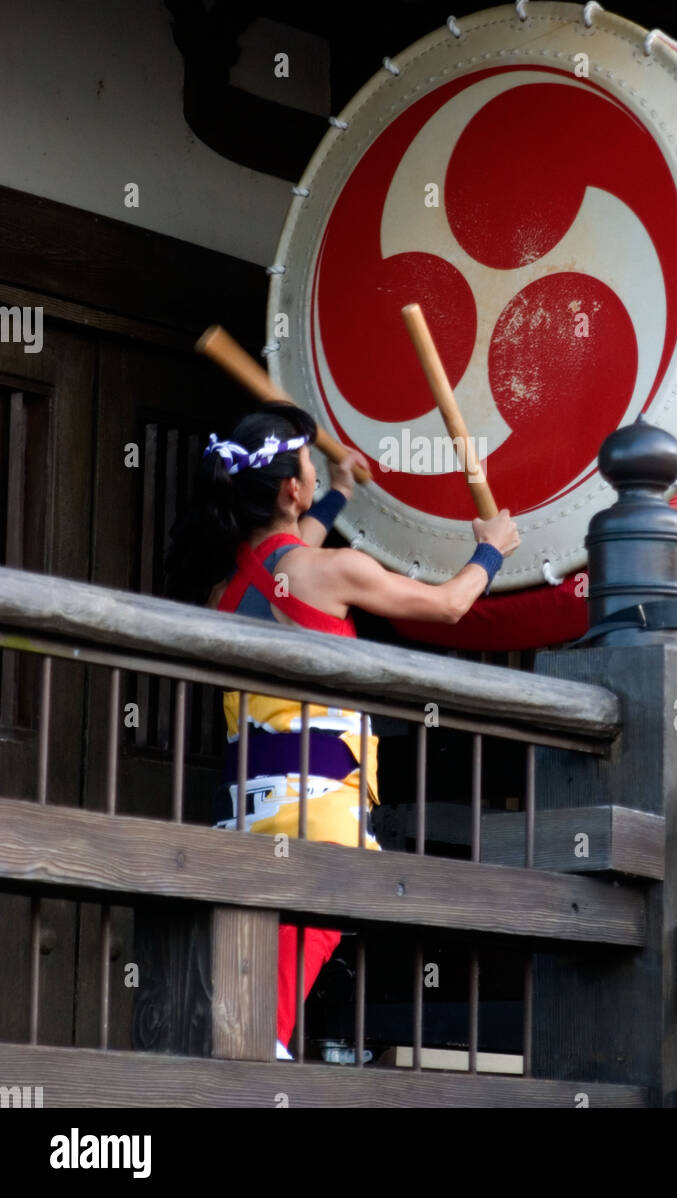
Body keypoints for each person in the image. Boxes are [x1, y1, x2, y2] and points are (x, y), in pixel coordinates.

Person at [164, 401, 520, 1060]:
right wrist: (490, 550)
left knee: (248, 978)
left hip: (243, 817)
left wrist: (338, 496)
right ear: (291, 490)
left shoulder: (224, 589)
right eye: (306, 469)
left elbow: (290, 564)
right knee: (264, 1011)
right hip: (318, 818)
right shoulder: (332, 574)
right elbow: (449, 605)